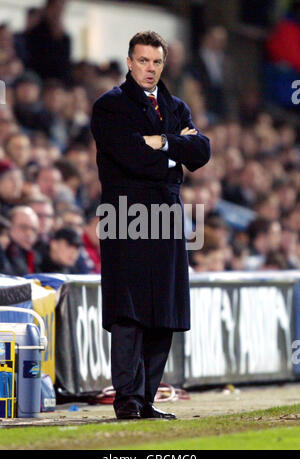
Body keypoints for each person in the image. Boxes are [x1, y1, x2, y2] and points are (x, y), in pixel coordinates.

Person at [91, 31, 210, 420]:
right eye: (142, 61)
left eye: (156, 62)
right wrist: (176, 148)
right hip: (125, 214)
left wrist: (161, 142)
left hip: (167, 217)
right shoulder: (109, 106)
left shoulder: (175, 106)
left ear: (164, 64)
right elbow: (130, 157)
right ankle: (127, 397)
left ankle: (145, 397)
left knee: (166, 309)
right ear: (129, 62)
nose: (149, 68)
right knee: (129, 309)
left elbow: (202, 151)